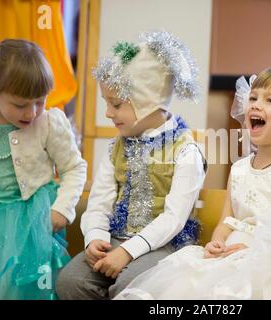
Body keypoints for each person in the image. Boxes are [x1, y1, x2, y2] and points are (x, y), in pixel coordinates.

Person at [115, 66, 271, 300]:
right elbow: (226, 222)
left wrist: (257, 253)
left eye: (270, 100)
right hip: (229, 256)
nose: (256, 105)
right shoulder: (238, 169)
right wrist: (217, 243)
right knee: (181, 288)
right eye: (253, 98)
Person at [56, 30, 206, 300]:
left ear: (147, 102)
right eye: (106, 103)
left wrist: (127, 251)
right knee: (70, 281)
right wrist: (95, 237)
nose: (108, 113)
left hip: (164, 244)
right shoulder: (117, 146)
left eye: (116, 104)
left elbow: (174, 218)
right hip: (116, 237)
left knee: (131, 284)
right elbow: (100, 201)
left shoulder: (186, 150)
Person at [0, 39, 87, 299]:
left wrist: (62, 209)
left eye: (39, 101)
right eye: (21, 104)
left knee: (19, 290)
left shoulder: (49, 124)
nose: (32, 112)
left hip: (29, 226)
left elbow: (74, 168)